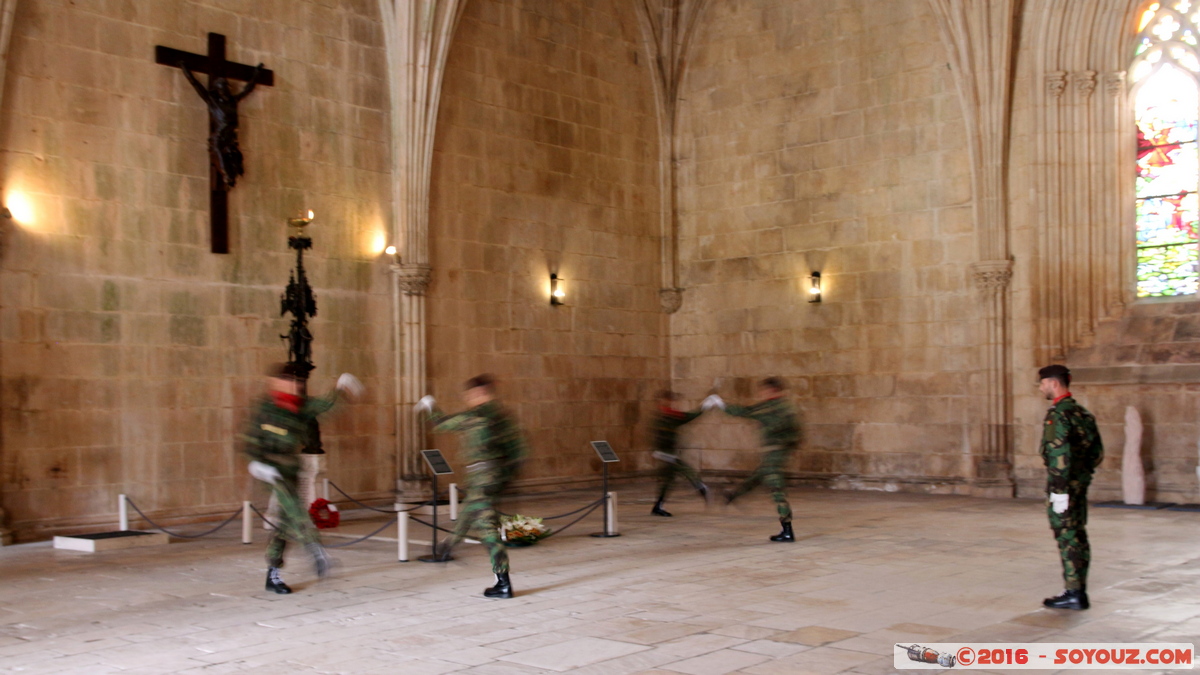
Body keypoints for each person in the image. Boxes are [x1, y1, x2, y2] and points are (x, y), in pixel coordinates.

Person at [243, 363, 364, 594]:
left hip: (290, 469)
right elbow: (249, 438)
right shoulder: (265, 408)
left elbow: (325, 405)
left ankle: (273, 572)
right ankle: (317, 552)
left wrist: (342, 388)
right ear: (277, 382)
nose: (296, 385)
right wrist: (256, 462)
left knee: (286, 522)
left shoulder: (299, 406)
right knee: (295, 509)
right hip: (270, 471)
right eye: (290, 380)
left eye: (298, 381)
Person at [416, 374, 527, 599]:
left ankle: (503, 582)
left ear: (477, 393)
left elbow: (441, 424)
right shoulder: (502, 417)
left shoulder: (475, 416)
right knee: (469, 511)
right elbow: (518, 450)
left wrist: (429, 406)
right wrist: (506, 477)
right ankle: (445, 548)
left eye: (469, 395)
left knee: (487, 528)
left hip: (481, 477)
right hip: (495, 477)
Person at [1037, 364, 1103, 610]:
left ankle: (1074, 592)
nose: (1041, 387)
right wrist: (1082, 477)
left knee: (1067, 537)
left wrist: (1060, 490)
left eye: (1043, 383)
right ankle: (1077, 590)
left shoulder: (1059, 414)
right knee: (1078, 534)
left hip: (1063, 488)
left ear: (1054, 383)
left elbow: (1058, 455)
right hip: (1079, 484)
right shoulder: (1082, 413)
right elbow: (1096, 453)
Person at [708, 377, 800, 542]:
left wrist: (720, 404)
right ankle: (732, 496)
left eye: (763, 390)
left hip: (774, 454)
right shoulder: (787, 407)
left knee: (776, 490)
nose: (761, 394)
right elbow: (796, 433)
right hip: (777, 453)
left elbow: (745, 412)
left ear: (771, 390)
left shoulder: (771, 407)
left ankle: (787, 530)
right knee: (757, 478)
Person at [649, 390, 709, 517]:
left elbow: (689, 416)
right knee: (683, 470)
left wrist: (705, 406)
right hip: (665, 455)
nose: (673, 403)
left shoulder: (669, 415)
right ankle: (700, 487)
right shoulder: (665, 416)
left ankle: (657, 506)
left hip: (668, 454)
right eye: (671, 400)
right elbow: (655, 437)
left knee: (669, 480)